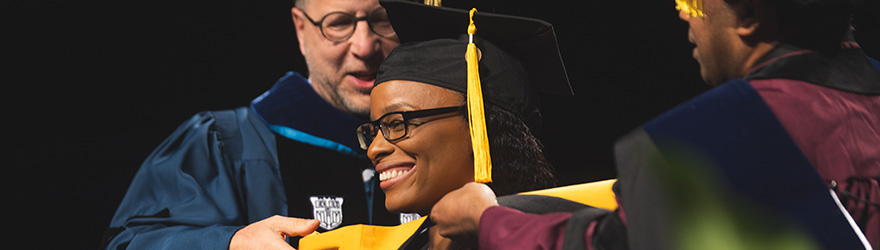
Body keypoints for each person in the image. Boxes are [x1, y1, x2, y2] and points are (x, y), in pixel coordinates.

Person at [430, 0, 880, 249]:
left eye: (693, 1)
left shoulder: (707, 143)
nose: (683, 12)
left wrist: (487, 219)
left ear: (748, 15)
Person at [102, 0, 404, 249]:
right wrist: (230, 243)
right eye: (338, 24)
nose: (364, 47)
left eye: (384, 19)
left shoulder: (446, 136)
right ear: (301, 29)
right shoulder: (226, 144)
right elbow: (128, 243)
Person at [295, 1, 583, 249]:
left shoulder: (572, 235)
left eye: (397, 123)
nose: (374, 149)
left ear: (480, 126)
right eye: (374, 130)